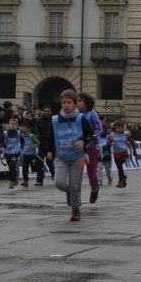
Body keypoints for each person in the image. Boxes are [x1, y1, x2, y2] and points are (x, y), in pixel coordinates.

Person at [50, 89, 93, 221]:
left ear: (75, 104)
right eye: (63, 102)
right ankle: (70, 192)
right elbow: (50, 137)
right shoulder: (55, 120)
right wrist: (48, 150)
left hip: (78, 157)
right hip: (61, 156)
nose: (66, 105)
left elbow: (90, 135)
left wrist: (83, 141)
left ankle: (75, 210)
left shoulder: (82, 119)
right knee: (59, 183)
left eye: (69, 102)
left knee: (75, 184)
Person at [108, 119, 132, 188]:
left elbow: (132, 141)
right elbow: (109, 142)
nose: (117, 129)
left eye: (119, 128)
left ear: (122, 128)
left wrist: (135, 151)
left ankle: (121, 180)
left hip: (124, 154)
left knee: (119, 165)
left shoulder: (126, 135)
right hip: (116, 154)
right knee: (119, 168)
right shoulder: (112, 135)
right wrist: (107, 145)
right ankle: (123, 181)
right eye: (115, 128)